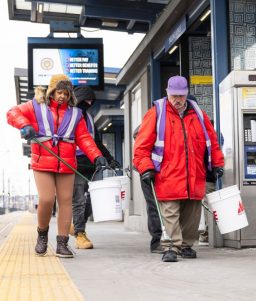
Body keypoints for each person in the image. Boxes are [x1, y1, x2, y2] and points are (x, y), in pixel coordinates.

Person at [7, 74, 108, 258]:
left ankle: (62, 243)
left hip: (67, 163)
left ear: (71, 95)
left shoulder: (76, 114)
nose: (62, 96)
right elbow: (12, 113)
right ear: (52, 92)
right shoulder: (36, 106)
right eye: (59, 92)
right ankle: (42, 235)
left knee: (66, 201)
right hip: (42, 162)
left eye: (66, 93)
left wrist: (97, 156)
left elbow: (84, 138)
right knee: (46, 199)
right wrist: (24, 125)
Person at [133, 75, 224, 262]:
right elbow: (141, 147)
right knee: (170, 211)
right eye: (174, 95)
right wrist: (145, 168)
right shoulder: (156, 113)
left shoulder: (199, 114)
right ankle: (171, 247)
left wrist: (217, 164)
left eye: (181, 96)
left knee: (192, 213)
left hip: (194, 174)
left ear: (187, 94)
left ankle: (186, 245)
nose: (177, 99)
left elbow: (212, 141)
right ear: (167, 92)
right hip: (167, 174)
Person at [71, 85, 120, 250]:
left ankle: (77, 225)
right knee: (78, 200)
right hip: (74, 164)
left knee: (93, 200)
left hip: (92, 165)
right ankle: (79, 234)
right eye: (87, 100)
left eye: (91, 100)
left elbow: (97, 142)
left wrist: (110, 159)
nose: (90, 103)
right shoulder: (69, 116)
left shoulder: (90, 118)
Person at [133, 125, 163, 254]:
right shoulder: (152, 122)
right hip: (149, 172)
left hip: (168, 171)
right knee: (154, 205)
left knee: (169, 205)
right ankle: (157, 241)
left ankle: (174, 239)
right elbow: (137, 138)